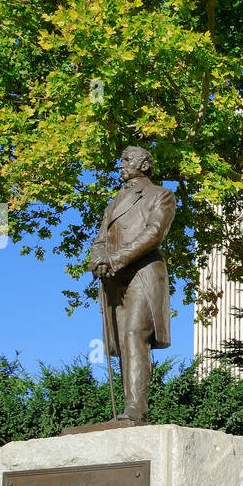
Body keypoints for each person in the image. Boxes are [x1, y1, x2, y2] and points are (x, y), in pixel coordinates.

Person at [89, 146, 175, 422]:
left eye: (127, 160)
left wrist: (114, 259)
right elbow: (101, 238)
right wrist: (97, 259)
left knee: (133, 335)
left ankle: (135, 409)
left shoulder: (161, 195)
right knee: (123, 341)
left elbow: (153, 234)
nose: (121, 165)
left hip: (142, 272)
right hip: (116, 279)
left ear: (145, 165)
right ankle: (127, 410)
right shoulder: (114, 202)